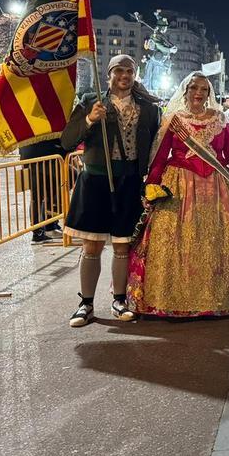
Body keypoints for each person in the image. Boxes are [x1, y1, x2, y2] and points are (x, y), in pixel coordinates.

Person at [128, 73, 229, 318]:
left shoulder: (220, 119)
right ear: (185, 91)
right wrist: (151, 185)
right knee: (177, 241)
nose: (198, 92)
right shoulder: (173, 120)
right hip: (179, 187)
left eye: (204, 89)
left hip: (217, 188)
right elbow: (160, 157)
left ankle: (217, 297)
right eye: (194, 88)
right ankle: (174, 298)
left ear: (209, 94)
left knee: (213, 242)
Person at [61, 55, 160, 327]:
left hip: (129, 182)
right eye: (119, 71)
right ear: (109, 74)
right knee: (91, 245)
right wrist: (90, 120)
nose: (124, 76)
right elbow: (67, 140)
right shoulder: (91, 100)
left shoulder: (149, 109)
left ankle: (119, 299)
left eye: (129, 71)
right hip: (95, 180)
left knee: (122, 245)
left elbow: (156, 145)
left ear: (134, 74)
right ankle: (86, 303)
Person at [19, 135, 66, 243]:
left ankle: (47, 226)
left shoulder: (28, 129)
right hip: (41, 164)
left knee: (40, 196)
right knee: (38, 197)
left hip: (34, 162)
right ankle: (39, 231)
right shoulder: (41, 130)